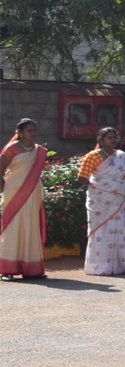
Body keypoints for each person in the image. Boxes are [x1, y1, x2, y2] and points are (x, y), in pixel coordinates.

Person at [79, 127, 125, 276]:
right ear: (101, 140)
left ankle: (119, 264)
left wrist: (115, 189)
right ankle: (99, 265)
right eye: (109, 137)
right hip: (99, 199)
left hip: (117, 198)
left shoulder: (122, 156)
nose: (113, 140)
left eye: (115, 137)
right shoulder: (92, 156)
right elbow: (82, 177)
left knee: (119, 228)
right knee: (101, 229)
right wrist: (100, 188)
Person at [0, 118, 47, 280]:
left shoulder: (38, 150)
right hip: (13, 192)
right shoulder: (10, 149)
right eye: (29, 130)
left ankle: (31, 268)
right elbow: (0, 171)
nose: (33, 133)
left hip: (33, 192)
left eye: (34, 130)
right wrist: (5, 190)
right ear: (20, 132)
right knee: (13, 227)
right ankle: (7, 270)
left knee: (30, 225)